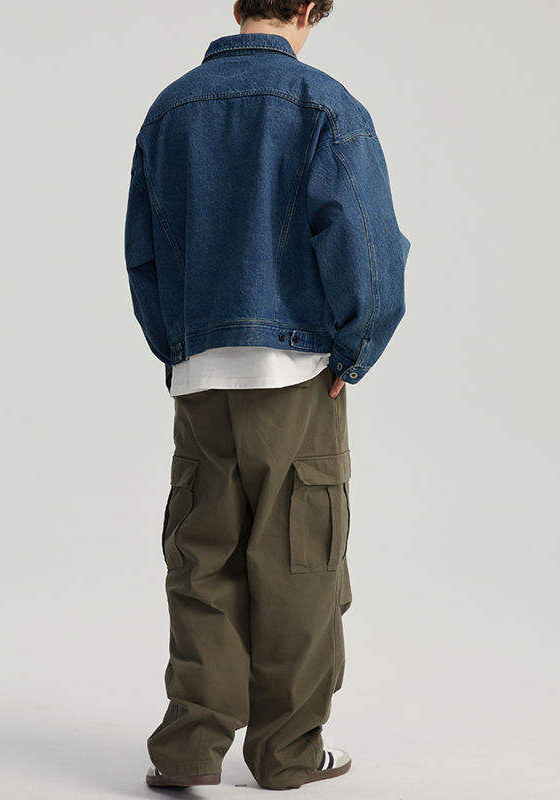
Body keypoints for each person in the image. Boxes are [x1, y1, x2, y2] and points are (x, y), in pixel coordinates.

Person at [124, 0, 409, 790]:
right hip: (296, 376)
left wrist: (179, 348)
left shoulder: (170, 109)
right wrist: (356, 347)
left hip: (202, 377)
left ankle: (188, 752)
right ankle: (286, 752)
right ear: (310, 9)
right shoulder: (326, 107)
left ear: (239, 5)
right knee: (298, 564)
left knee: (202, 559)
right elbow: (369, 248)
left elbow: (143, 255)